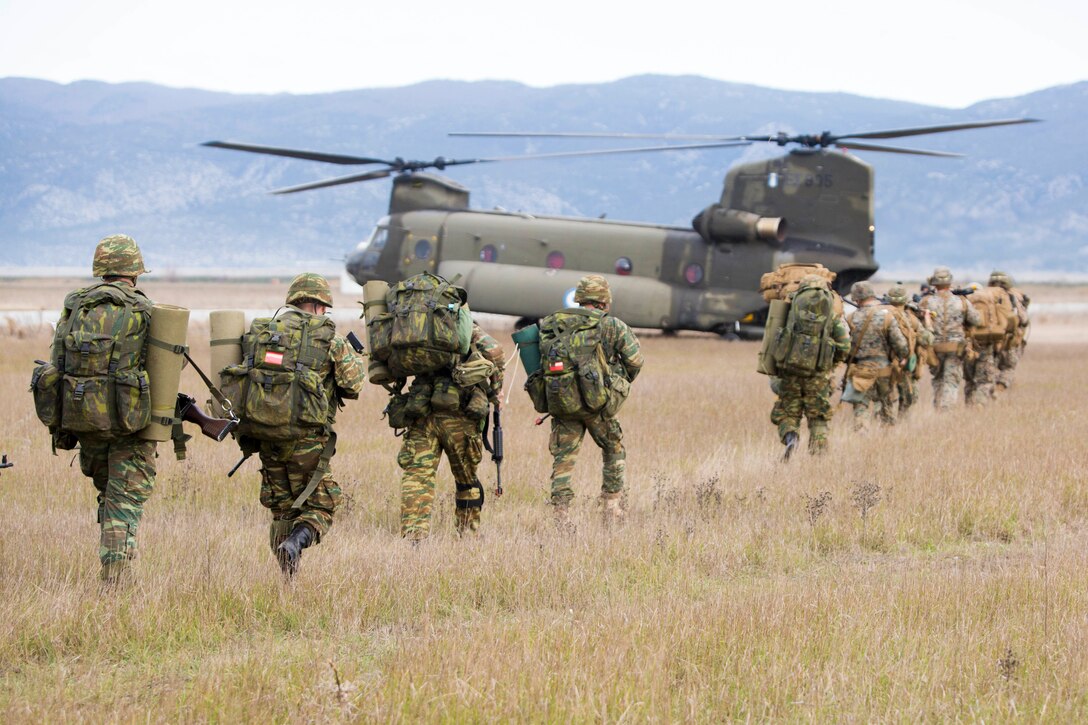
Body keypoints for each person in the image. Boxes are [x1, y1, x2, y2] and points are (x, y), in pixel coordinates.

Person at [227, 273, 364, 576]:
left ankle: (286, 578)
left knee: (282, 510)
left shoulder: (264, 334)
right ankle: (295, 545)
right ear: (318, 305)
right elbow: (354, 385)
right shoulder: (330, 339)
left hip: (265, 434)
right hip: (306, 439)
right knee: (323, 506)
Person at [38, 234, 157, 585]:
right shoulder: (144, 309)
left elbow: (58, 357)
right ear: (134, 271)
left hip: (83, 418)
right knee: (124, 501)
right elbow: (166, 366)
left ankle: (114, 568)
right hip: (128, 423)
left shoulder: (76, 305)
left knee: (109, 493)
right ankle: (115, 582)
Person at [540, 274, 643, 523]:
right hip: (598, 406)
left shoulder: (555, 323)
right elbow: (636, 360)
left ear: (580, 299)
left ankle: (560, 515)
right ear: (604, 301)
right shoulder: (612, 326)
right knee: (613, 447)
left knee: (563, 458)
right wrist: (616, 382)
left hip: (563, 402)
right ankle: (611, 508)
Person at [397, 322, 505, 540]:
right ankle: (467, 536)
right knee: (466, 480)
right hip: (461, 415)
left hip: (422, 411)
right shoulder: (463, 324)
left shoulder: (415, 323)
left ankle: (413, 539)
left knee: (417, 477)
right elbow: (495, 352)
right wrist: (496, 392)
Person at [768, 275, 850, 458]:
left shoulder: (788, 310)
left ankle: (791, 437)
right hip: (819, 374)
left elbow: (772, 339)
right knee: (818, 415)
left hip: (790, 371)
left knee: (789, 410)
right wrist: (831, 363)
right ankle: (818, 454)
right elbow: (844, 346)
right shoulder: (831, 314)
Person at [844, 281, 909, 428]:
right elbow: (901, 345)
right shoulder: (886, 317)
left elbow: (845, 347)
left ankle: (861, 435)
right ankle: (887, 437)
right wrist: (902, 356)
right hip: (884, 370)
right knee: (887, 404)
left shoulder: (850, 318)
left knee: (861, 406)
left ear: (856, 299)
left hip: (861, 369)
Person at [918, 266, 981, 410]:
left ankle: (938, 408)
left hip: (934, 348)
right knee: (951, 380)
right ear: (950, 282)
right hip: (956, 347)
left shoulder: (926, 302)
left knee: (938, 380)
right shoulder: (961, 301)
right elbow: (976, 320)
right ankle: (946, 410)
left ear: (934, 283)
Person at [884, 283, 933, 418]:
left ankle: (885, 424)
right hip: (905, 365)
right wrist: (928, 322)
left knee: (884, 399)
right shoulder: (910, 318)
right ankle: (902, 422)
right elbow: (927, 340)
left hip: (883, 364)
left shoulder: (881, 315)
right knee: (908, 398)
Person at [990, 270, 1030, 395]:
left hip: (989, 339)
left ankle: (987, 389)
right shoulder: (1013, 296)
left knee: (988, 368)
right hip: (1009, 341)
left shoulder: (985, 296)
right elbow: (1023, 319)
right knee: (1009, 368)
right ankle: (999, 389)